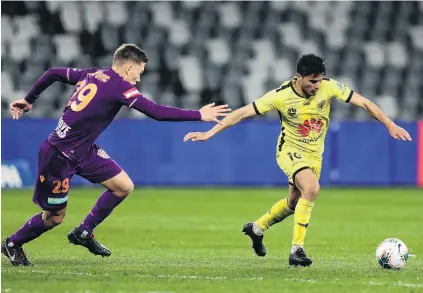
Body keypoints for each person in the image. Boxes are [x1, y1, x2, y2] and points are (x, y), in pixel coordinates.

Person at [2, 43, 231, 266]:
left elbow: (53, 73)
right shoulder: (120, 87)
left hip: (83, 150)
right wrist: (198, 114)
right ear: (129, 67)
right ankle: (12, 244)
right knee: (54, 217)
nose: (138, 79)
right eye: (139, 72)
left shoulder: (91, 74)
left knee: (123, 186)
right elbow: (156, 112)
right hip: (59, 155)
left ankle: (84, 231)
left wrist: (29, 100)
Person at [183, 54, 412, 267]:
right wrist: (209, 133)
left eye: (320, 81)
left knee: (293, 204)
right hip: (290, 150)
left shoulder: (329, 87)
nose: (317, 86)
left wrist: (390, 124)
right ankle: (297, 250)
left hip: (315, 155)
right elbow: (241, 113)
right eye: (312, 81)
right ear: (298, 78)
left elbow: (364, 103)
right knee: (311, 189)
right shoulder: (280, 96)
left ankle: (256, 228)